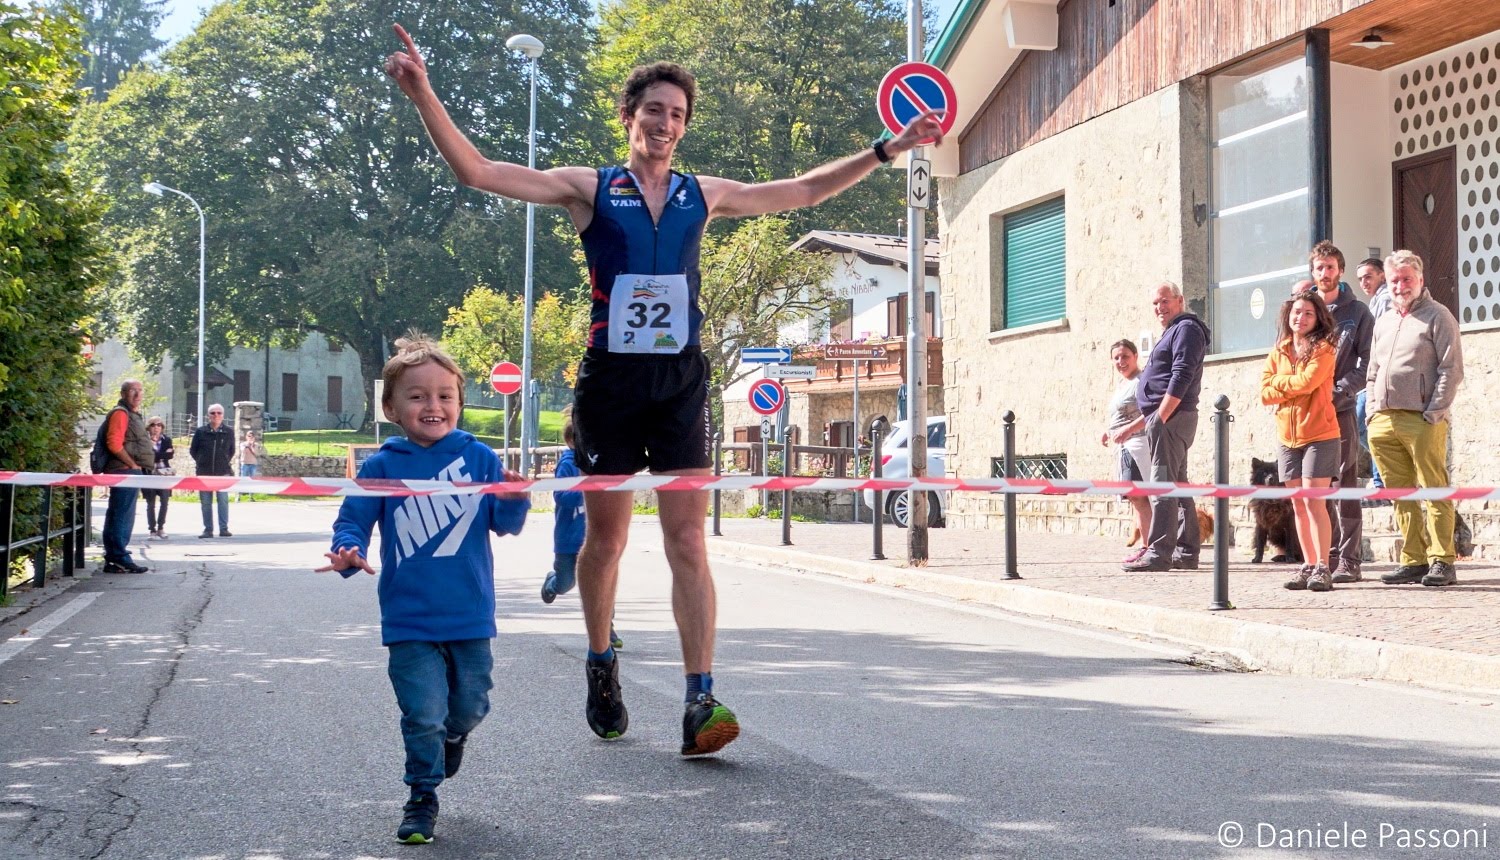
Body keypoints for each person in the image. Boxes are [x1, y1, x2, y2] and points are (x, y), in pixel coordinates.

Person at [383, 24, 945, 757]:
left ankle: (699, 695)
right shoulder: (588, 188)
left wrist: (886, 149)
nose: (666, 124)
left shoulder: (701, 195)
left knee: (687, 538)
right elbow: (479, 171)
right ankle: (600, 660)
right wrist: (424, 92)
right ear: (630, 116)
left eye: (678, 115)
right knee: (607, 539)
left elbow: (803, 191)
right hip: (611, 384)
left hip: (679, 381)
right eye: (655, 110)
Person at [317, 336, 529, 844]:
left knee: (470, 707)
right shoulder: (381, 467)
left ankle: (453, 738)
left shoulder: (478, 457)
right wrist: (348, 553)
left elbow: (504, 523)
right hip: (408, 618)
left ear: (459, 401)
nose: (432, 406)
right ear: (390, 407)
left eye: (444, 395)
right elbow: (352, 523)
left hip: (470, 614)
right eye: (417, 396)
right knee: (422, 713)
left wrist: (515, 496)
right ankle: (421, 796)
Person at [1366, 251, 1465, 587]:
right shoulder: (1384, 321)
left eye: (1407, 278)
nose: (1400, 285)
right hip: (1383, 421)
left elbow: (1452, 370)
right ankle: (1413, 559)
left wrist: (1433, 412)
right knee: (1400, 493)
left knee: (1435, 489)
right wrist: (1371, 413)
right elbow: (1372, 372)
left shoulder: (1438, 316)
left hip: (1422, 420)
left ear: (1420, 279)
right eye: (1394, 279)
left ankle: (1442, 560)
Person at [1123, 282, 1210, 572]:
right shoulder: (1174, 330)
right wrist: (1142, 422)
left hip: (1172, 419)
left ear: (1180, 300)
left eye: (1165, 301)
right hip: (1166, 418)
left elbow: (1181, 374)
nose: (1160, 307)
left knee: (1162, 484)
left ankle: (1159, 552)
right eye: (1155, 304)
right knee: (1178, 486)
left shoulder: (1186, 329)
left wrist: (1160, 416)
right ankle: (1186, 552)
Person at [1260, 289, 1342, 592]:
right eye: (1297, 312)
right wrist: (1288, 386)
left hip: (1320, 435)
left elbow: (1308, 382)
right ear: (1288, 315)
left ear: (1318, 317)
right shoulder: (1278, 350)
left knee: (1314, 501)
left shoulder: (1323, 349)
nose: (1301, 317)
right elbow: (1265, 392)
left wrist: (1281, 385)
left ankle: (1323, 567)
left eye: (1308, 313)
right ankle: (1308, 565)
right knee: (1298, 504)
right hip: (1287, 438)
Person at [1308, 241, 1374, 583]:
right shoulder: (1305, 309)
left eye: (1330, 267)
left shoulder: (1357, 312)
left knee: (1345, 483)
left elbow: (1367, 362)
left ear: (1340, 271)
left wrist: (1339, 389)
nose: (1325, 273)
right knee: (1317, 485)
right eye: (1319, 268)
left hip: (1340, 409)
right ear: (1313, 272)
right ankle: (1324, 558)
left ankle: (1349, 560)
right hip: (1307, 415)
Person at [539, 412, 625, 650]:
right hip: (569, 540)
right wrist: (585, 490)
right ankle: (552, 583)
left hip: (595, 539)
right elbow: (560, 496)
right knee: (567, 584)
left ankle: (607, 629)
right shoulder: (567, 465)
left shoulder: (598, 464)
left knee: (603, 580)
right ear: (571, 442)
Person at [1100, 339, 1152, 564]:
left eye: (1125, 356)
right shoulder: (1123, 384)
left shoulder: (1141, 381)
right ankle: (1148, 545)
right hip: (1124, 446)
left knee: (1139, 497)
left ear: (1135, 356)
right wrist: (1108, 431)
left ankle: (1149, 547)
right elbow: (1120, 415)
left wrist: (1128, 430)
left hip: (1138, 446)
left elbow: (1151, 412)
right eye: (1117, 358)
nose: (1121, 361)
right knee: (1135, 499)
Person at [100, 380, 151, 573]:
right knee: (122, 515)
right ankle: (119, 556)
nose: (137, 395)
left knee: (118, 514)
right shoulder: (121, 413)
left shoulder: (131, 414)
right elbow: (113, 443)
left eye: (140, 390)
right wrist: (132, 464)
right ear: (123, 394)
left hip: (127, 470)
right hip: (124, 471)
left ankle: (115, 558)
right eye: (132, 391)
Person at [1354, 257, 1391, 490]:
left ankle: (1383, 480)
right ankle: (1384, 477)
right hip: (1370, 375)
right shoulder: (1375, 301)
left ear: (1382, 275)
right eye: (1360, 279)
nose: (1364, 283)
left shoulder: (1386, 300)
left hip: (1379, 376)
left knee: (1360, 421)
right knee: (1366, 427)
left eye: (1369, 276)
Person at [190, 404, 234, 537]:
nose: (216, 415)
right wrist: (201, 461)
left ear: (223, 415)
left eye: (219, 413)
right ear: (208, 416)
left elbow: (231, 450)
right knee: (206, 503)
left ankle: (224, 528)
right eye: (213, 413)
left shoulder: (229, 432)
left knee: (223, 501)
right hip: (204, 473)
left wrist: (224, 460)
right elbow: (193, 450)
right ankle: (208, 529)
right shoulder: (200, 431)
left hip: (222, 473)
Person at [142, 415, 175, 539]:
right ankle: (152, 529)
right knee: (150, 503)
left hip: (164, 475)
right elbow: (147, 457)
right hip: (149, 474)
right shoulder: (144, 441)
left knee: (165, 501)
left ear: (162, 427)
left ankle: (161, 527)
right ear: (148, 427)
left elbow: (170, 456)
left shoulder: (167, 440)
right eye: (153, 425)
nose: (156, 427)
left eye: (159, 425)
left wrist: (157, 455)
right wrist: (162, 454)